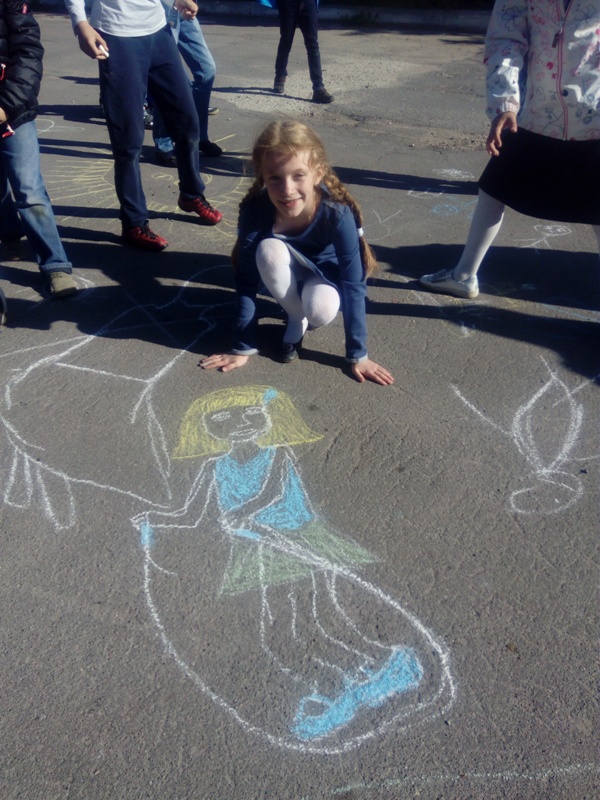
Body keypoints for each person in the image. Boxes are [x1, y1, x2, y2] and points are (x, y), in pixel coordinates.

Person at [133, 386, 438, 745]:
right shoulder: (214, 467)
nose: (240, 423)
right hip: (257, 549)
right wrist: (152, 518)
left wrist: (242, 513)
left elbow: (272, 493)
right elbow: (188, 515)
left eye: (251, 413)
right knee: (288, 633)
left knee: (305, 626)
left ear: (266, 418)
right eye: (223, 417)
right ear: (208, 426)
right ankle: (343, 685)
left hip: (291, 540)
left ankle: (376, 669)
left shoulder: (277, 455)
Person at [419, 0, 600, 300]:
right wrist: (505, 103)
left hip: (593, 119)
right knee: (495, 187)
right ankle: (464, 275)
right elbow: (506, 39)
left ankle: (463, 274)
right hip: (536, 114)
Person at [200, 120, 393, 385]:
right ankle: (294, 316)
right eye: (275, 178)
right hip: (281, 271)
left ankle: (301, 312)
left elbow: (353, 284)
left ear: (318, 173)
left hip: (322, 275)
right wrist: (242, 347)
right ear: (263, 177)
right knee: (268, 250)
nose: (287, 190)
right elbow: (246, 281)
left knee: (321, 310)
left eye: (298, 175)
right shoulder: (256, 210)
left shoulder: (337, 214)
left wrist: (358, 354)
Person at [64, 0, 223, 252]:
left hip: (158, 31)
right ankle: (134, 223)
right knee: (128, 140)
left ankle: (191, 194)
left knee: (187, 123)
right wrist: (80, 23)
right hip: (117, 36)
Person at [0, 0, 77, 304]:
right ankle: (9, 232)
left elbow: (28, 51)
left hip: (13, 109)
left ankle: (55, 264)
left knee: (29, 189)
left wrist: (6, 106)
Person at [152, 2, 222, 167]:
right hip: (163, 9)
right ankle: (164, 144)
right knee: (167, 77)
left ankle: (198, 137)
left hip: (185, 9)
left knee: (207, 71)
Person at [269, 0, 334, 104]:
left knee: (313, 45)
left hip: (309, 3)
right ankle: (280, 75)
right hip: (288, 3)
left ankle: (318, 88)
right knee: (286, 41)